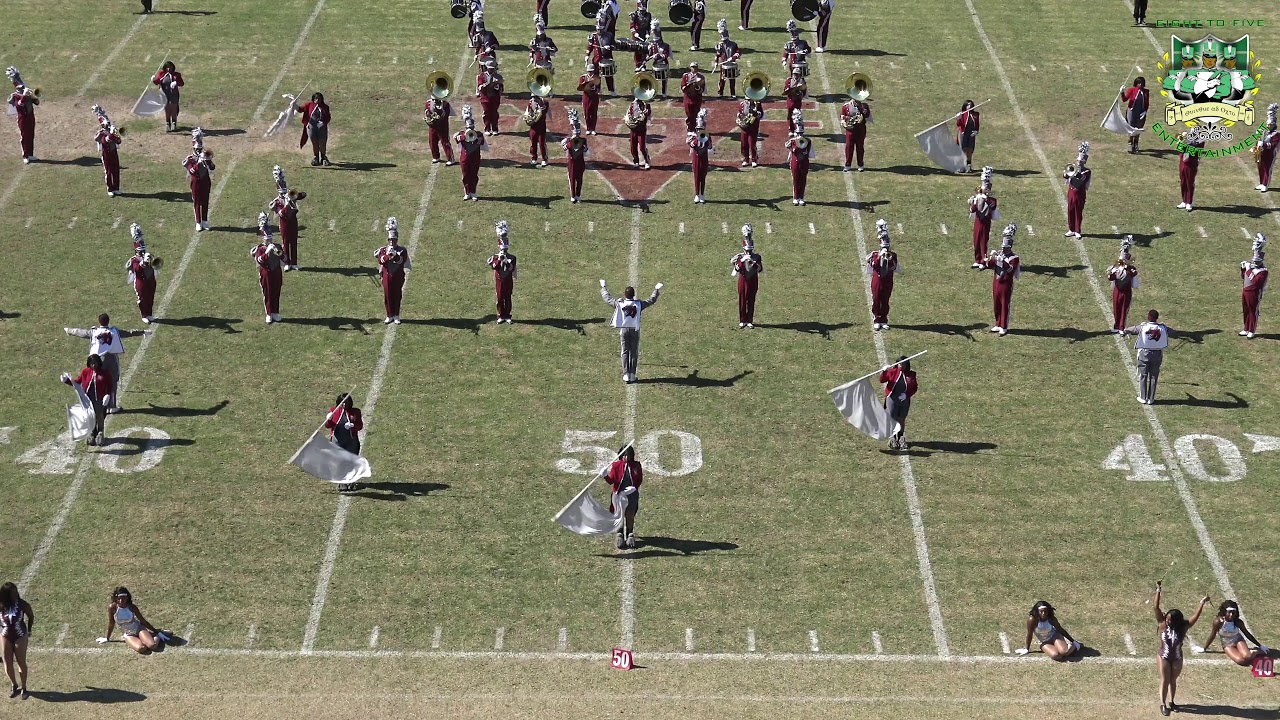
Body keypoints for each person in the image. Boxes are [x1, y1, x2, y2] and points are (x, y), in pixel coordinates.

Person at [1153, 582, 1211, 716]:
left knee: (1173, 680)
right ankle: (1162, 704)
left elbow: (1194, 618)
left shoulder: (1183, 627)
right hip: (1164, 656)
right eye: (1167, 618)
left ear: (1177, 621)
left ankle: (1172, 702)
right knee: (1165, 679)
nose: (1167, 621)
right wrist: (1158, 590)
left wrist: (1202, 603)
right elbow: (1156, 607)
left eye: (1170, 619)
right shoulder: (1162, 624)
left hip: (1177, 657)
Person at [64, 313, 131, 413]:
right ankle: (111, 406)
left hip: (98, 360)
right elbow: (128, 333)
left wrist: (69, 330)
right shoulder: (114, 331)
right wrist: (143, 332)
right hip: (112, 359)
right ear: (108, 321)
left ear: (99, 322)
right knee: (112, 381)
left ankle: (98, 403)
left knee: (98, 381)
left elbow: (82, 332)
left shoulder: (94, 331)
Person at [600, 279, 663, 384]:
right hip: (635, 329)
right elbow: (651, 300)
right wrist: (656, 289)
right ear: (634, 295)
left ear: (625, 295)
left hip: (624, 329)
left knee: (625, 351)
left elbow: (608, 299)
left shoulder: (620, 304)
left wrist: (603, 287)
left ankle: (625, 374)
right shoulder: (639, 304)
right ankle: (632, 374)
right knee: (633, 352)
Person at [1194, 600, 1268, 666]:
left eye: (1233, 612)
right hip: (1227, 644)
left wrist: (1260, 645)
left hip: (1238, 640)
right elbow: (1212, 635)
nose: (1231, 615)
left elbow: (1247, 633)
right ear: (1224, 612)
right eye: (1229, 612)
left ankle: (1256, 651)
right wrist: (1204, 648)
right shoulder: (1218, 622)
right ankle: (1251, 652)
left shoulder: (1238, 622)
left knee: (1247, 657)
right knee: (1242, 661)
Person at [61, 354, 112, 446]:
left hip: (100, 399)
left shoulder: (104, 373)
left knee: (99, 415)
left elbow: (110, 385)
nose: (93, 366)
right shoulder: (85, 372)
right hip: (88, 399)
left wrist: (107, 395)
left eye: (95, 363)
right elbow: (77, 382)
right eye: (92, 364)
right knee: (89, 416)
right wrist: (67, 381)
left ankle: (100, 433)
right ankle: (92, 433)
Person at [1123, 309, 1170, 405]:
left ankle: (1143, 397)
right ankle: (1151, 398)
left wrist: (1126, 330)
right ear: (1157, 318)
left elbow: (1133, 329)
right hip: (1157, 354)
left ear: (1149, 317)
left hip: (1144, 354)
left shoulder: (1143, 327)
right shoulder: (1162, 327)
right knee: (1154, 376)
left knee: (1143, 375)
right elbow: (1172, 331)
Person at [100, 587, 167, 655]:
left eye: (123, 598)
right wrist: (107, 638)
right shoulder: (112, 607)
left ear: (127, 598)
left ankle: (156, 634)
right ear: (116, 598)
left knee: (152, 645)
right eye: (119, 598)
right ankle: (147, 636)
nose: (120, 601)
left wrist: (156, 632)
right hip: (128, 634)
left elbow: (143, 621)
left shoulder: (132, 607)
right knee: (141, 648)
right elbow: (111, 623)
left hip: (138, 628)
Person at [981, 224, 1021, 336]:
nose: (1003, 249)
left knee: (1004, 304)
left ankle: (1004, 326)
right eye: (1003, 247)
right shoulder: (1000, 254)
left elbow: (1010, 269)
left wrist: (1001, 259)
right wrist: (989, 258)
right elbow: (989, 265)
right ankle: (997, 323)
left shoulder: (1014, 258)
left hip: (1006, 284)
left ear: (1009, 248)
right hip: (997, 282)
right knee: (996, 304)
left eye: (1005, 248)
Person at [864, 219, 900, 331]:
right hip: (877, 281)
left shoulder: (892, 255)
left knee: (885, 300)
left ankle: (884, 319)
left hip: (888, 281)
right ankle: (876, 319)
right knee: (876, 299)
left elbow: (894, 267)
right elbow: (874, 265)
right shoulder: (875, 255)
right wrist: (880, 256)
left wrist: (888, 258)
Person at [269, 165, 307, 271]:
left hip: (293, 222)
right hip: (284, 223)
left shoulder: (289, 195)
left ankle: (294, 263)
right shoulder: (277, 202)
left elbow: (304, 195)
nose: (283, 194)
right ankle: (287, 263)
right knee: (286, 243)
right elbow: (281, 213)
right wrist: (287, 203)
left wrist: (295, 195)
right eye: (281, 193)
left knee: (294, 242)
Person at [1015, 601, 1082, 661]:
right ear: (1037, 611)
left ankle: (1076, 645)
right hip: (1044, 642)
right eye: (1041, 611)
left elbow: (1060, 629)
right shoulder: (1032, 619)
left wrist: (1073, 641)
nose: (1043, 613)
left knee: (1064, 652)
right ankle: (1062, 646)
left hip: (1055, 637)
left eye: (1045, 611)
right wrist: (1027, 649)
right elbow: (1030, 634)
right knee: (1056, 655)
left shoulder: (1051, 618)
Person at [374, 218, 410, 324]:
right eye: (390, 240)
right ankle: (389, 315)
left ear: (396, 240)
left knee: (397, 295)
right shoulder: (383, 250)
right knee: (388, 295)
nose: (391, 241)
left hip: (398, 276)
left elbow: (401, 261)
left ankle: (397, 315)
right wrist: (387, 256)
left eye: (393, 240)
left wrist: (394, 256)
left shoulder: (402, 250)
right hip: (386, 275)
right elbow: (381, 261)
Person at [606, 445, 643, 549]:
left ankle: (630, 534)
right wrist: (605, 475)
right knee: (620, 515)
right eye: (624, 455)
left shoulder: (636, 466)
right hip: (618, 496)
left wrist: (634, 488)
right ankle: (620, 534)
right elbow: (611, 481)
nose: (626, 457)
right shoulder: (616, 465)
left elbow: (639, 479)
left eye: (629, 455)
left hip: (631, 495)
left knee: (630, 515)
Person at [325, 394, 364, 491]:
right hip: (337, 440)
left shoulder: (355, 412)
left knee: (351, 461)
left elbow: (360, 426)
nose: (344, 405)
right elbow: (328, 426)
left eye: (346, 403)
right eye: (342, 403)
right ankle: (341, 482)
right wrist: (328, 419)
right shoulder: (334, 410)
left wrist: (353, 426)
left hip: (351, 441)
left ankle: (351, 481)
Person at [250, 213, 285, 324]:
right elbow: (260, 260)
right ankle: (269, 313)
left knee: (276, 292)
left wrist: (279, 253)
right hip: (266, 273)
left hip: (276, 272)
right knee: (268, 293)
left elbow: (285, 259)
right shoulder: (259, 249)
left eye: (270, 239)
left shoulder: (277, 246)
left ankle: (275, 312)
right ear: (263, 239)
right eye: (267, 240)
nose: (269, 241)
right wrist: (267, 251)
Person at [0, 582, 32, 699]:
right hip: (5, 635)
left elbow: (31, 615)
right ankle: (14, 684)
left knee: (21, 661)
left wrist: (29, 630)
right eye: (12, 593)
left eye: (16, 592)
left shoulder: (22, 604)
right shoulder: (1, 605)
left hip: (20, 634)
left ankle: (24, 687)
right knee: (7, 663)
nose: (15, 595)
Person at [877, 355, 916, 451]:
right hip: (892, 398)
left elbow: (914, 387)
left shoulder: (911, 375)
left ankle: (901, 437)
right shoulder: (892, 372)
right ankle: (893, 437)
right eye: (899, 364)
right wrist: (884, 372)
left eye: (903, 364)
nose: (900, 366)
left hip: (904, 399)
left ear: (907, 365)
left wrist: (906, 395)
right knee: (892, 417)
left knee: (901, 418)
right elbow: (882, 380)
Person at [124, 224, 159, 324]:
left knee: (151, 297)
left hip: (151, 280)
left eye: (143, 251)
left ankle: (150, 313)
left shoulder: (149, 256)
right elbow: (137, 269)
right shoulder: (134, 260)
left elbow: (155, 266)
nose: (142, 253)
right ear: (136, 251)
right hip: (141, 282)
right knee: (142, 299)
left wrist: (152, 261)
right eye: (140, 252)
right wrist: (143, 262)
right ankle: (144, 315)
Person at [731, 224, 763, 328]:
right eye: (747, 250)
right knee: (742, 300)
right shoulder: (740, 257)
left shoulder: (757, 257)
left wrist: (752, 262)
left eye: (750, 250)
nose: (748, 252)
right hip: (743, 280)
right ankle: (742, 319)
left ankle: (749, 320)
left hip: (753, 280)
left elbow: (760, 269)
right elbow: (736, 269)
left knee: (751, 300)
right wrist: (742, 261)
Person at [184, 128, 215, 231]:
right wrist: (199, 163)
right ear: (194, 149)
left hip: (205, 181)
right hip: (195, 182)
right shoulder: (190, 159)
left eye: (200, 148)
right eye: (197, 149)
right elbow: (192, 171)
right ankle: (198, 222)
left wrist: (208, 161)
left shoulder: (204, 155)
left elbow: (212, 168)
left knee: (205, 201)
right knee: (197, 202)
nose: (199, 150)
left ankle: (205, 221)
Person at [968, 166, 999, 268]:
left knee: (983, 241)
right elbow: (973, 209)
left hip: (985, 222)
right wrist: (974, 201)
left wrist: (983, 199)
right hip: (978, 221)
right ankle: (977, 259)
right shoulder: (979, 198)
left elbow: (990, 208)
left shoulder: (992, 200)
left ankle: (983, 261)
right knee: (976, 240)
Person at [6, 66, 39, 164]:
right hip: (23, 119)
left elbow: (37, 102)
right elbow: (20, 105)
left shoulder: (27, 95)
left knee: (31, 135)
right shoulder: (15, 96)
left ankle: (30, 154)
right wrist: (24, 95)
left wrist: (34, 95)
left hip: (30, 117)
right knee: (24, 137)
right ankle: (25, 155)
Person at [455, 105, 487, 201]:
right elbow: (456, 139)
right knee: (465, 175)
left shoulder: (479, 134)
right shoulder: (461, 133)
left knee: (474, 175)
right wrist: (464, 136)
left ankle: (473, 192)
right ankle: (467, 192)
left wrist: (476, 138)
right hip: (465, 159)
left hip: (475, 158)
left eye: (472, 127)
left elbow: (481, 142)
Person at [1108, 236, 1139, 333]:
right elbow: (1110, 278)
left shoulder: (1131, 270)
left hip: (1126, 292)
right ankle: (1116, 326)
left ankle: (1121, 327)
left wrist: (1131, 273)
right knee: (1116, 308)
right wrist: (1112, 272)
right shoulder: (1116, 268)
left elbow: (1135, 284)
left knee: (1124, 310)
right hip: (1117, 291)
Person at [488, 221, 518, 323]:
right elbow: (495, 267)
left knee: (508, 297)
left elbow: (511, 269)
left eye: (505, 249)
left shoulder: (512, 257)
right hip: (499, 280)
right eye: (503, 249)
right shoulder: (496, 257)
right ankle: (501, 315)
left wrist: (505, 260)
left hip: (508, 280)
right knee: (500, 297)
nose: (504, 252)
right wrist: (499, 260)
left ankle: (507, 315)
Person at [1241, 233, 1268, 339]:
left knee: (1253, 311)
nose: (1254, 263)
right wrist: (1243, 268)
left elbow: (1255, 282)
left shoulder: (1263, 271)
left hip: (1254, 292)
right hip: (1246, 290)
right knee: (1246, 309)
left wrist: (1248, 270)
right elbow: (1244, 277)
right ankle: (1246, 328)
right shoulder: (1251, 268)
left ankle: (1252, 330)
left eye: (1257, 261)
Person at [91, 105, 123, 196]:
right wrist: (108, 134)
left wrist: (114, 134)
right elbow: (101, 140)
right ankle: (110, 189)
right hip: (106, 155)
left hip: (114, 153)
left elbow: (119, 141)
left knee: (116, 170)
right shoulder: (101, 133)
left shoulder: (113, 131)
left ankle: (116, 188)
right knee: (108, 172)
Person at [785, 110, 814, 206]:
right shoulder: (793, 141)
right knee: (795, 180)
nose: (800, 135)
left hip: (804, 163)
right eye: (798, 133)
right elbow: (787, 147)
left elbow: (810, 154)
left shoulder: (808, 141)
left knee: (803, 179)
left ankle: (801, 197)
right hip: (795, 162)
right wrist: (791, 142)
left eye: (801, 133)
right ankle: (796, 197)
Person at [294, 92, 331, 166]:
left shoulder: (325, 107)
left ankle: (323, 157)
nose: (316, 100)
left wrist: (323, 123)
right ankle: (316, 157)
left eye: (318, 99)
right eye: (315, 98)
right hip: (311, 128)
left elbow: (328, 117)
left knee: (322, 143)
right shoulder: (309, 105)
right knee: (315, 143)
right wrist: (294, 105)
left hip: (322, 128)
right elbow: (300, 109)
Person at [562, 108, 590, 203]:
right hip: (572, 163)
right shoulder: (569, 141)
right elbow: (565, 148)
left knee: (580, 179)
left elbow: (588, 153)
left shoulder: (583, 141)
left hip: (580, 162)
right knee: (572, 180)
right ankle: (573, 195)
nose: (577, 135)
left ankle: (578, 195)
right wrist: (567, 141)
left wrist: (585, 148)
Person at [1064, 141, 1091, 237]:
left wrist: (1075, 172)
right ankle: (1071, 229)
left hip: (1080, 193)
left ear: (1084, 162)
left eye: (1081, 161)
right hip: (1071, 191)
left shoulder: (1087, 171)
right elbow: (1066, 177)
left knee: (1078, 211)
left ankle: (1077, 230)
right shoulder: (1073, 168)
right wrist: (1066, 174)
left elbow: (1082, 180)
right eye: (1078, 161)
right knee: (1070, 210)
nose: (1079, 163)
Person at [840, 92, 871, 172]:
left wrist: (862, 109)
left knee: (860, 147)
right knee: (849, 147)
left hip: (860, 130)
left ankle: (860, 164)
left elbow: (867, 116)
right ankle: (847, 165)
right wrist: (847, 120)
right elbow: (842, 116)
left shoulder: (864, 106)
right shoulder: (846, 106)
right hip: (850, 130)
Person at [423, 91, 456, 166]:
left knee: (445, 142)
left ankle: (451, 159)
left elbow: (445, 115)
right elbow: (426, 111)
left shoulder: (445, 104)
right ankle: (436, 156)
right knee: (432, 141)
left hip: (442, 126)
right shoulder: (428, 103)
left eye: (436, 100)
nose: (435, 101)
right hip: (433, 126)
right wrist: (428, 115)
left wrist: (440, 110)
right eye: (433, 100)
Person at [687, 108, 712, 203]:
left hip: (704, 156)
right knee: (697, 176)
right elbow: (692, 144)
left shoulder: (707, 135)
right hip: (696, 156)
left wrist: (706, 138)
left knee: (703, 175)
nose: (700, 130)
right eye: (698, 129)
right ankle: (697, 194)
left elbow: (709, 146)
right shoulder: (693, 135)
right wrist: (697, 138)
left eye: (701, 129)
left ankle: (702, 193)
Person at [152, 61, 185, 132]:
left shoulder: (177, 75)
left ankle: (174, 123)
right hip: (164, 95)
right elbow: (157, 82)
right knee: (167, 109)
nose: (169, 69)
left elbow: (181, 83)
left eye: (170, 67)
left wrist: (176, 82)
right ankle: (168, 123)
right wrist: (154, 79)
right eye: (167, 67)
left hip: (173, 94)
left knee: (173, 109)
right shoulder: (162, 74)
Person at [645, 21, 674, 98]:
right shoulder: (653, 45)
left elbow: (665, 55)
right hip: (655, 64)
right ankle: (653, 92)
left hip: (663, 64)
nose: (656, 43)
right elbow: (650, 53)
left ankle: (664, 93)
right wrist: (648, 57)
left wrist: (658, 56)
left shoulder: (665, 46)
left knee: (664, 80)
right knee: (653, 79)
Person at [1177, 131, 1204, 211]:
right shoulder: (1188, 139)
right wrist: (1181, 142)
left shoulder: (1200, 141)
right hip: (1183, 162)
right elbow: (1180, 149)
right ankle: (1184, 201)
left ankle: (1189, 202)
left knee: (1189, 183)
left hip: (1191, 164)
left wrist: (1187, 143)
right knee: (1183, 182)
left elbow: (1195, 150)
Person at [1121, 77, 1149, 153]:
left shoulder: (1146, 92)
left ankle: (1136, 144)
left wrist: (1145, 111)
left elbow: (1146, 103)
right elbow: (1124, 99)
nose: (1140, 85)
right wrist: (1122, 92)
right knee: (1131, 128)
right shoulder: (1132, 90)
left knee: (1138, 128)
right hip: (1132, 111)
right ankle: (1130, 143)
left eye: (1142, 83)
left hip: (1141, 112)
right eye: (1139, 83)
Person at [713, 20, 740, 97]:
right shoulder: (720, 45)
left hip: (731, 64)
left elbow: (738, 52)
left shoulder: (733, 44)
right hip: (724, 65)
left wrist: (732, 57)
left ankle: (733, 93)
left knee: (732, 79)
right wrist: (716, 62)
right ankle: (720, 93)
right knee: (722, 79)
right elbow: (717, 54)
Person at [476, 59, 503, 135]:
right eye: (490, 68)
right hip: (485, 98)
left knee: (494, 113)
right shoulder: (482, 76)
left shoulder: (498, 76)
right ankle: (487, 128)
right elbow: (479, 86)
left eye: (492, 68)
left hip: (495, 98)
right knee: (487, 113)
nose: (491, 70)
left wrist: (497, 87)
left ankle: (495, 128)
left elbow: (501, 89)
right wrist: (484, 86)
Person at [1255, 103, 1279, 192]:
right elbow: (1259, 140)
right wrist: (1256, 145)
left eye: (1270, 125)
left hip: (1270, 154)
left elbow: (1272, 146)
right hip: (1261, 153)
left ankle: (1265, 184)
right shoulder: (1264, 132)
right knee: (1260, 167)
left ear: (1273, 125)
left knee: (1267, 169)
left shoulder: (1276, 134)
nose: (1268, 126)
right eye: (1268, 124)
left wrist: (1263, 144)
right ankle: (1261, 183)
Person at [736, 94, 763, 168]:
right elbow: (739, 113)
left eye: (749, 99)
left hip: (753, 127)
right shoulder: (742, 105)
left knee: (752, 144)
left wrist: (755, 113)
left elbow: (761, 114)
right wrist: (739, 118)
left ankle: (754, 159)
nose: (747, 101)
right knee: (744, 144)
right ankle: (746, 159)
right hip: (744, 127)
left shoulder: (757, 105)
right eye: (746, 99)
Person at [524, 93, 550, 167]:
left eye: (535, 97)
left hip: (541, 125)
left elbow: (544, 112)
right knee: (533, 142)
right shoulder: (530, 103)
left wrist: (541, 104)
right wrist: (528, 119)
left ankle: (544, 159)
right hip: (533, 126)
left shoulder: (544, 103)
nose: (533, 99)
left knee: (542, 143)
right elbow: (527, 112)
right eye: (533, 97)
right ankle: (534, 158)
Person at [625, 96, 651, 168]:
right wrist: (629, 121)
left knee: (642, 146)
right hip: (633, 129)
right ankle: (636, 161)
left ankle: (647, 160)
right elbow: (629, 114)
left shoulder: (645, 105)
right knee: (633, 146)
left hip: (641, 129)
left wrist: (646, 109)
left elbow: (648, 114)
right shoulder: (632, 104)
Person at [955, 100, 980, 174]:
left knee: (970, 150)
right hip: (963, 134)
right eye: (968, 105)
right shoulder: (963, 114)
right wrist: (958, 118)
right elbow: (959, 124)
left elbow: (977, 124)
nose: (969, 107)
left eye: (971, 105)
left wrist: (976, 131)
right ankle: (961, 167)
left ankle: (968, 167)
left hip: (971, 134)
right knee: (962, 150)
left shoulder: (976, 114)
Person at [680, 61, 705, 133]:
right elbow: (682, 86)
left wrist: (697, 87)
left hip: (697, 97)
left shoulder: (701, 77)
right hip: (688, 97)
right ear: (690, 68)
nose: (694, 69)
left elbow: (702, 89)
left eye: (695, 67)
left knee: (695, 112)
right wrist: (688, 87)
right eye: (692, 67)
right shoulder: (686, 76)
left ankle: (693, 127)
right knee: (689, 112)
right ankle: (690, 127)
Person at [578, 63, 602, 135]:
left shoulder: (597, 77)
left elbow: (598, 89)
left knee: (594, 112)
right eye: (589, 71)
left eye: (591, 71)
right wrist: (585, 83)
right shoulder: (583, 77)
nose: (590, 73)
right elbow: (579, 88)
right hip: (586, 96)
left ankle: (593, 128)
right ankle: (588, 128)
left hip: (594, 96)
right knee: (587, 112)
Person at [782, 66, 807, 134]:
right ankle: (791, 129)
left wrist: (800, 92)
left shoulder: (802, 81)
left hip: (798, 100)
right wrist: (789, 89)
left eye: (797, 74)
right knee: (790, 114)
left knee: (797, 115)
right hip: (790, 99)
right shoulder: (789, 81)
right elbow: (785, 89)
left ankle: (797, 129)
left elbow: (804, 91)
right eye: (794, 74)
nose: (795, 75)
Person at [628, 1, 651, 70]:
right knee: (637, 50)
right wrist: (635, 33)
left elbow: (648, 26)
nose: (642, 12)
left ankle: (643, 65)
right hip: (637, 35)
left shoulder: (648, 15)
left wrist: (647, 34)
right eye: (641, 10)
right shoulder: (634, 15)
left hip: (644, 34)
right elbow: (632, 26)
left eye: (644, 10)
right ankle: (638, 65)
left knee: (644, 50)